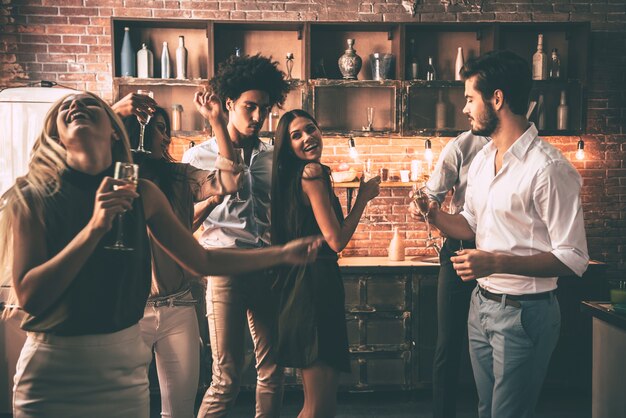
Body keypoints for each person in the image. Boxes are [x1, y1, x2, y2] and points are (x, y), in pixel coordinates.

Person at [1, 91, 321, 418]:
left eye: (89, 105)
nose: (76, 106)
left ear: (113, 131)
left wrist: (280, 254)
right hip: (51, 366)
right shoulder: (32, 194)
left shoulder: (144, 191)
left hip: (120, 366)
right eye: (67, 107)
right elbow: (30, 296)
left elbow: (203, 260)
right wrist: (95, 228)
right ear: (55, 134)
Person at [413, 50, 589, 418]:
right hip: (483, 305)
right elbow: (469, 225)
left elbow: (574, 258)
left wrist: (494, 261)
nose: (464, 109)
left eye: (469, 99)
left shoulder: (549, 168)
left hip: (526, 314)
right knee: (487, 409)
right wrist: (432, 214)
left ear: (497, 98)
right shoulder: (481, 160)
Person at [116, 91, 240, 418]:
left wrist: (217, 121)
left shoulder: (179, 176)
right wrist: (114, 111)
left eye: (162, 127)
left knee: (180, 411)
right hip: (130, 312)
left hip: (179, 306)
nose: (163, 135)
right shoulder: (111, 180)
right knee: (127, 408)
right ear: (130, 132)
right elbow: (60, 150)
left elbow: (229, 179)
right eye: (153, 127)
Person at [182, 54, 291, 418]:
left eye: (264, 108)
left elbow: (279, 213)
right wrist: (217, 195)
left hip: (264, 265)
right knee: (226, 376)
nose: (258, 117)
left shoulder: (273, 156)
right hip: (223, 268)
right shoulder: (198, 157)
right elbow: (186, 224)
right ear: (228, 103)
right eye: (249, 107)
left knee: (273, 371)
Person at [271, 109, 380, 417]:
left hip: (307, 287)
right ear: (287, 145)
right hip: (315, 289)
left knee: (323, 404)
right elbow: (336, 240)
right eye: (296, 135)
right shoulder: (311, 174)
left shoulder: (296, 177)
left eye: (311, 129)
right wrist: (363, 198)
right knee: (318, 407)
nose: (308, 137)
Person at [418, 131, 488, 418]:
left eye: (471, 99)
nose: (466, 108)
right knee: (449, 343)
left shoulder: (518, 146)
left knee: (494, 343)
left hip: (500, 251)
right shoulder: (462, 145)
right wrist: (426, 208)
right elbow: (429, 194)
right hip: (460, 248)